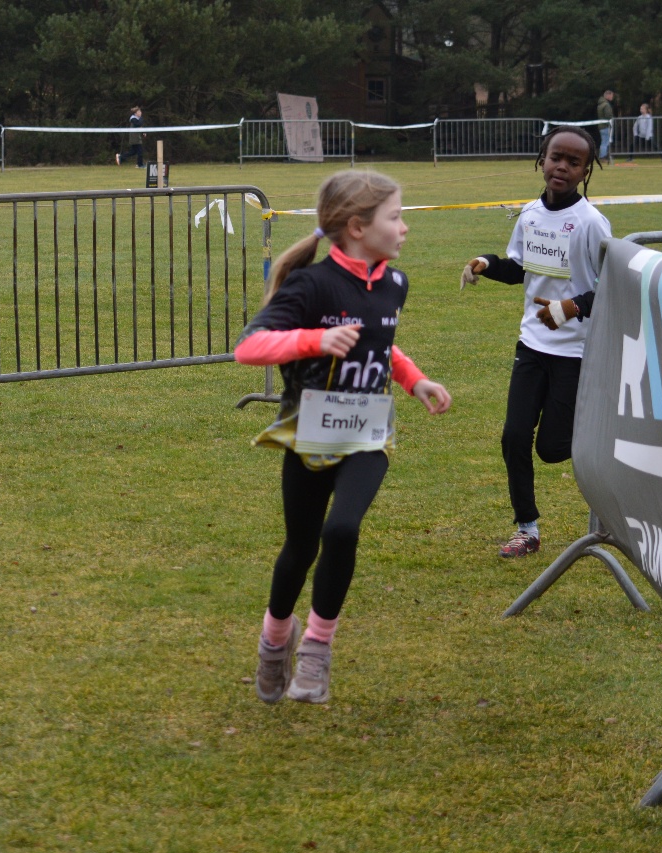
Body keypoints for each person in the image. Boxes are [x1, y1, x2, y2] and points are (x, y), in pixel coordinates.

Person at [235, 170, 452, 705]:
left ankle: (316, 651)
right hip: (310, 435)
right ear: (357, 227)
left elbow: (381, 346)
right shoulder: (311, 285)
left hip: (367, 435)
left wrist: (413, 379)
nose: (404, 229)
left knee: (342, 529)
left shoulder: (395, 283)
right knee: (300, 547)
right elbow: (249, 348)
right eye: (395, 217)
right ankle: (274, 640)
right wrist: (315, 339)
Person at [459, 126, 612, 558]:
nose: (561, 166)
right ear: (541, 160)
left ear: (586, 172)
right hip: (532, 346)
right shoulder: (529, 214)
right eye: (554, 157)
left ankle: (605, 430)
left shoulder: (591, 224)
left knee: (551, 449)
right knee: (514, 437)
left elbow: (613, 289)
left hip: (576, 353)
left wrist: (572, 306)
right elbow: (520, 269)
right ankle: (527, 529)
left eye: (573, 161)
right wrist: (486, 263)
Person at [596, 90, 615, 160]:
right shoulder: (606, 105)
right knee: (605, 141)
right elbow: (608, 116)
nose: (612, 97)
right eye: (611, 95)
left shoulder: (600, 104)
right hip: (605, 126)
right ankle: (603, 156)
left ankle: (603, 155)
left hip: (601, 126)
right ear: (608, 95)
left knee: (603, 141)